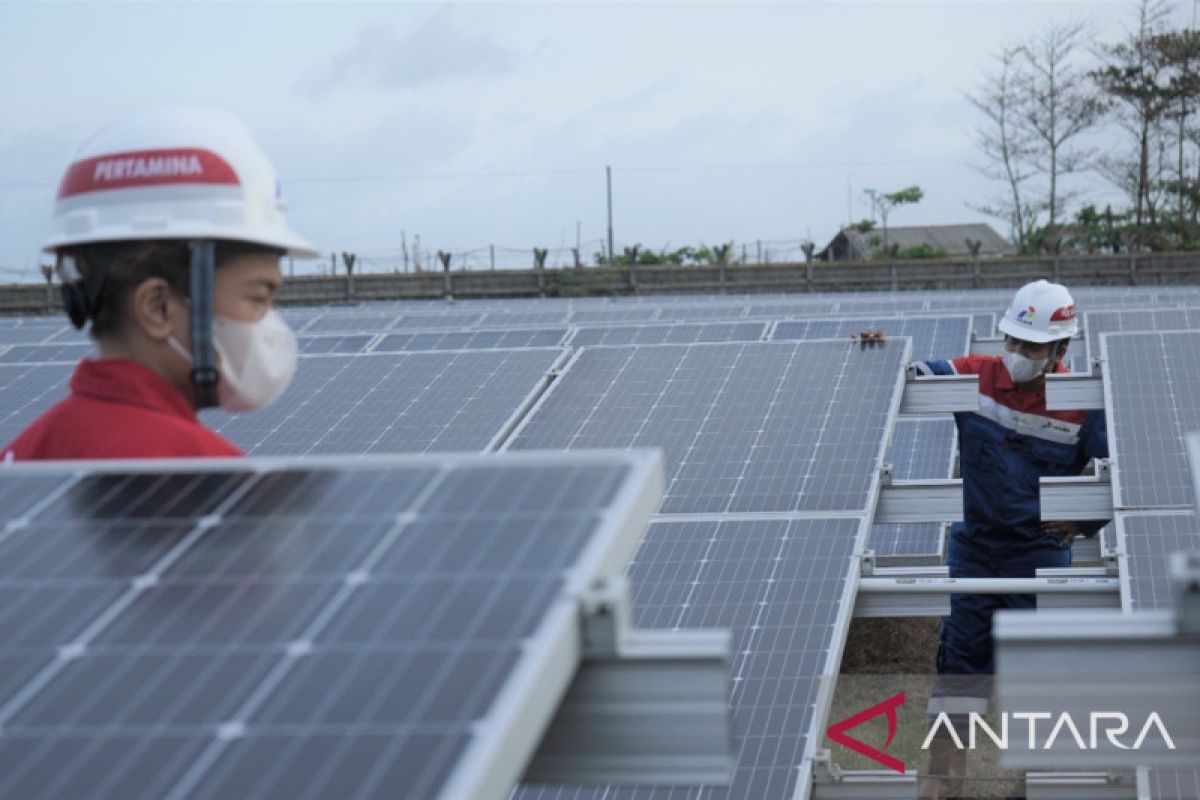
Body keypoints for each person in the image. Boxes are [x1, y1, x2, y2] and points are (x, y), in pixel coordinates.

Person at [1, 107, 316, 461]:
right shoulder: (209, 478)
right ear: (158, 307)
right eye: (258, 298)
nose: (270, 324)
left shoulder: (22, 458)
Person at [901, 279, 1109, 799]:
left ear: (1061, 350)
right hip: (976, 552)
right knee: (960, 670)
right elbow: (912, 375)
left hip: (1039, 555)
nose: (1016, 354)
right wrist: (879, 351)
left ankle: (1034, 782)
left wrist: (1084, 523)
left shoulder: (1083, 405)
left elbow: (1126, 469)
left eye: (1031, 346)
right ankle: (942, 785)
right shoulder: (977, 377)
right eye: (1012, 341)